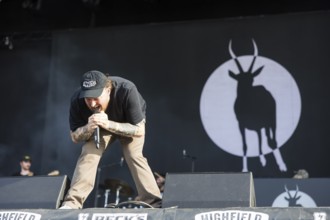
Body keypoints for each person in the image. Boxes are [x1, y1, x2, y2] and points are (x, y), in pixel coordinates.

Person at [60, 70, 162, 209]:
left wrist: (108, 124)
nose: (92, 103)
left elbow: (139, 130)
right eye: (88, 98)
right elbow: (75, 136)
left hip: (129, 123)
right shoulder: (77, 100)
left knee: (133, 155)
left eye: (96, 97)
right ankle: (72, 203)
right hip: (99, 126)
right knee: (88, 154)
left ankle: (153, 202)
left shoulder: (126, 90)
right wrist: (88, 127)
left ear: (108, 90)